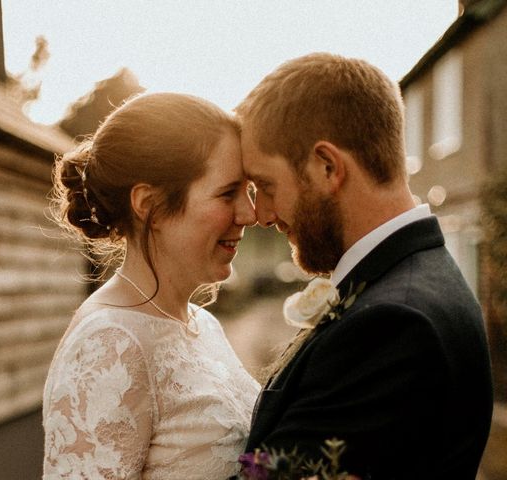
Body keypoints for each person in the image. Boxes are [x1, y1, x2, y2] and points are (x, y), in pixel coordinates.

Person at [236, 53, 493, 478]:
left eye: (265, 185)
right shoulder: (417, 278)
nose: (261, 214)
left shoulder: (394, 325)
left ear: (327, 167)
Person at [43, 92, 260, 479]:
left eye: (249, 190)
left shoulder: (203, 324)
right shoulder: (109, 342)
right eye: (228, 193)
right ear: (149, 205)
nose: (249, 213)